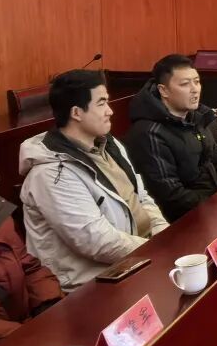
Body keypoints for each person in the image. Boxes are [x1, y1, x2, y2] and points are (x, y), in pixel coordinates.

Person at [19, 70, 169, 290]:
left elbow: (141, 198)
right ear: (77, 113)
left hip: (138, 257)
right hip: (93, 284)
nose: (110, 110)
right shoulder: (51, 174)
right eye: (101, 103)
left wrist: (166, 237)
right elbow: (96, 241)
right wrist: (158, 250)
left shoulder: (110, 145)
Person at [124, 55, 217, 222]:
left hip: (214, 207)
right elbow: (173, 197)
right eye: (185, 84)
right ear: (164, 90)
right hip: (185, 220)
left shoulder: (195, 117)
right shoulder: (148, 134)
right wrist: (216, 207)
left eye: (197, 82)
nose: (195, 89)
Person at [0, 192, 63, 338]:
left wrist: (49, 306)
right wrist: (25, 335)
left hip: (28, 328)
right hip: (10, 339)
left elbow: (31, 269)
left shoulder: (0, 216)